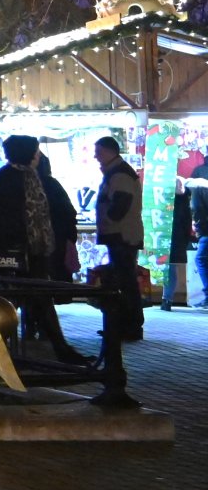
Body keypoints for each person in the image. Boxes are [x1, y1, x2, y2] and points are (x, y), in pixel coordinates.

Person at [32, 154, 88, 363]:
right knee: (42, 288)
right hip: (52, 240)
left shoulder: (34, 183)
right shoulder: (50, 184)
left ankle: (36, 327)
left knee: (37, 287)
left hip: (43, 244)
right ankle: (43, 329)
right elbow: (67, 212)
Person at [94, 136, 145, 341]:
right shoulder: (118, 172)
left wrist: (108, 218)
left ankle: (129, 326)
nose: (95, 156)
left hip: (121, 235)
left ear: (108, 151)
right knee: (125, 280)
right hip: (122, 234)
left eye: (98, 151)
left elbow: (120, 204)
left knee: (125, 281)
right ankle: (125, 324)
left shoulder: (119, 174)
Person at [0, 136, 56, 278]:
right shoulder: (10, 177)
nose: (38, 155)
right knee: (25, 286)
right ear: (27, 153)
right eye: (35, 151)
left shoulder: (29, 174)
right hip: (18, 246)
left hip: (32, 246)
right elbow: (5, 212)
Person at [163, 179, 193, 310]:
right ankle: (167, 299)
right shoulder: (185, 200)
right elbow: (186, 221)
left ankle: (167, 299)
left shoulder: (166, 200)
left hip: (170, 236)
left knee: (170, 268)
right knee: (170, 268)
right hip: (176, 237)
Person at [190, 161, 208, 308]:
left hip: (206, 228)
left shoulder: (199, 174)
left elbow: (197, 206)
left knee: (201, 259)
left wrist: (198, 227)